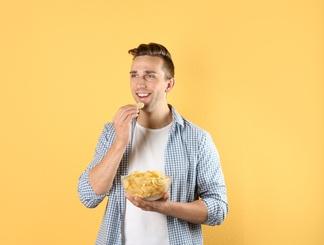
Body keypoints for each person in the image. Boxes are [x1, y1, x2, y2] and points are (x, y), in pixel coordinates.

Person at [78, 43, 228, 245]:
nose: (140, 84)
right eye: (134, 75)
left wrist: (164, 207)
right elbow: (89, 196)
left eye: (150, 75)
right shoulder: (112, 132)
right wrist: (120, 142)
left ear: (169, 84)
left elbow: (218, 208)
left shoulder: (197, 139)